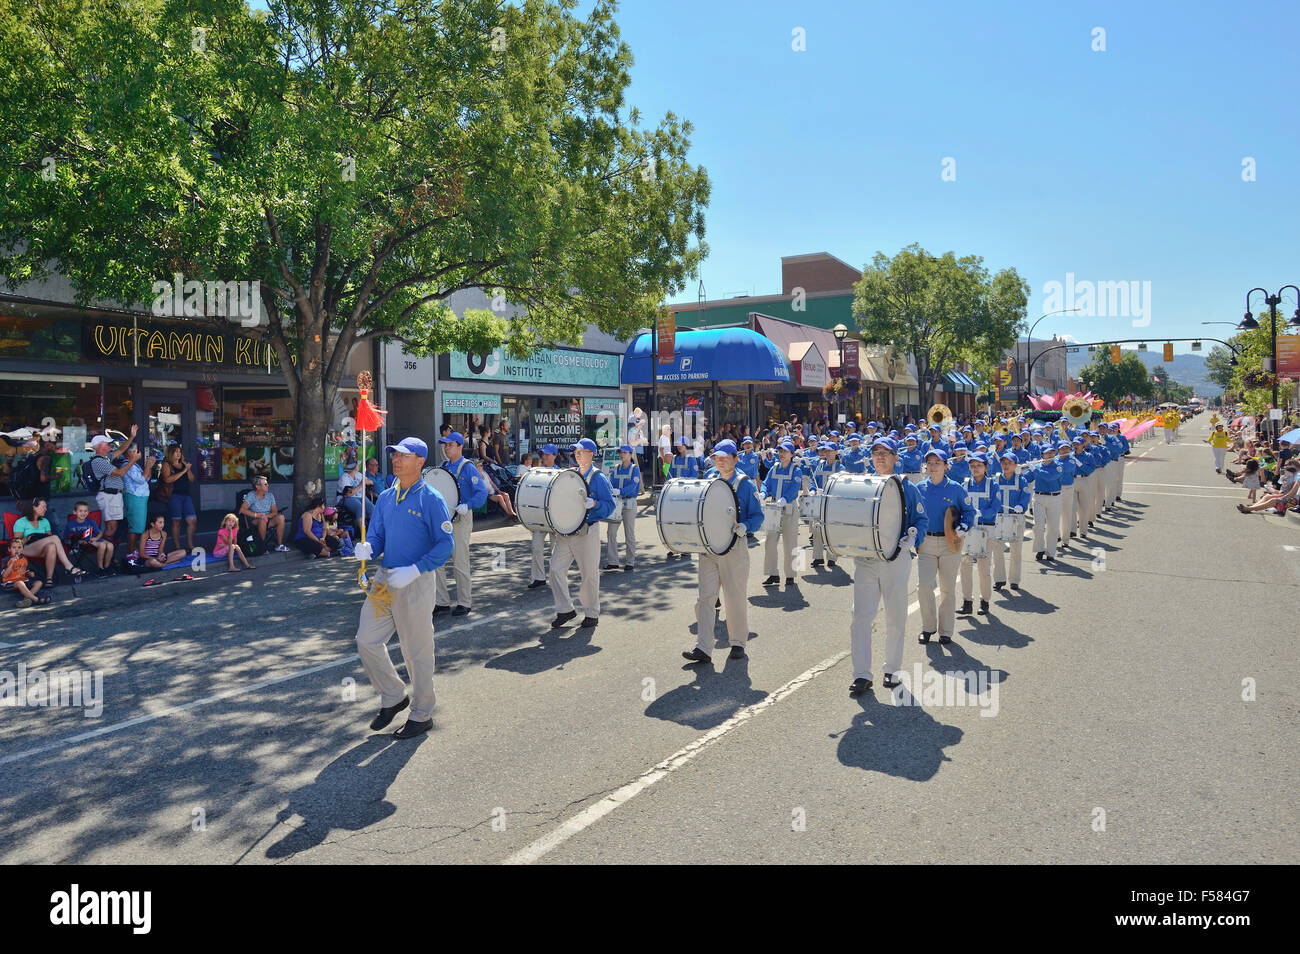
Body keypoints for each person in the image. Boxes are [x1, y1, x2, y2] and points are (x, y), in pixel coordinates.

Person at [351, 435, 455, 740]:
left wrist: (416, 569)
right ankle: (394, 696)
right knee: (366, 640)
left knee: (416, 651)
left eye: (404, 456)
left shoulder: (431, 498)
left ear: (420, 462)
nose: (396, 459)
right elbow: (379, 536)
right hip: (385, 579)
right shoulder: (385, 497)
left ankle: (422, 713)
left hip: (416, 580)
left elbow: (445, 545)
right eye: (394, 454)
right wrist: (368, 548)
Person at [848, 438, 927, 694]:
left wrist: (913, 537)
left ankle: (892, 670)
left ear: (896, 457)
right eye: (875, 453)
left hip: (896, 559)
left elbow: (921, 519)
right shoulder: (864, 484)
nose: (880, 457)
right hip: (867, 560)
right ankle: (861, 674)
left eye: (885, 453)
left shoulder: (907, 487)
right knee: (860, 617)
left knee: (895, 617)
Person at [682, 440, 763, 664]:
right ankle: (703, 647)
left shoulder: (745, 483)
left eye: (725, 457)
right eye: (717, 457)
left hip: (734, 549)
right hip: (708, 549)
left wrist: (746, 526)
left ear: (735, 459)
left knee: (734, 597)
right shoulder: (708, 479)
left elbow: (758, 516)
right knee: (705, 599)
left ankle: (737, 642)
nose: (720, 460)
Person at [549, 438, 616, 629]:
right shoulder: (571, 475)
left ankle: (591, 613)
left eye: (581, 451)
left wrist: (595, 504)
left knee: (589, 574)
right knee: (555, 569)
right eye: (575, 452)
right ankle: (565, 609)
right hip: (566, 533)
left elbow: (610, 505)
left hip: (587, 531)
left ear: (591, 454)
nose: (577, 455)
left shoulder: (599, 478)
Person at [915, 449, 974, 644]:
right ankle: (928, 627)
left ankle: (946, 631)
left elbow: (969, 511)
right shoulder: (920, 488)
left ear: (946, 466)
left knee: (947, 589)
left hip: (951, 543)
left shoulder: (956, 488)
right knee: (924, 586)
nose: (932, 466)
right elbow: (913, 514)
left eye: (937, 463)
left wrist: (963, 528)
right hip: (926, 543)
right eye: (929, 463)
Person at [433, 431, 488, 617]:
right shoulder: (443, 467)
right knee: (437, 561)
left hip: (461, 518)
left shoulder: (468, 467)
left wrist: (468, 505)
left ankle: (464, 602)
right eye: (445, 445)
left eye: (450, 445)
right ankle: (441, 601)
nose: (446, 448)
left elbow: (481, 493)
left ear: (459, 446)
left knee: (460, 561)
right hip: (444, 519)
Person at [14, 498, 85, 586]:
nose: (46, 509)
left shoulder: (45, 521)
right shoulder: (21, 522)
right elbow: (16, 544)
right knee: (54, 538)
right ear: (34, 508)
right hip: (26, 548)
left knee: (51, 546)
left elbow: (49, 538)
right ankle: (68, 566)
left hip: (41, 550)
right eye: (43, 507)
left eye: (46, 507)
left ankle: (49, 579)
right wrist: (27, 538)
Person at [760, 440, 802, 587]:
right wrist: (763, 493)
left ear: (791, 454)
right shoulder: (774, 468)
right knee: (770, 542)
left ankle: (791, 575)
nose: (782, 454)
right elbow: (766, 482)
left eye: (785, 451)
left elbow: (796, 487)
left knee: (791, 542)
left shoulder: (796, 469)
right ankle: (773, 573)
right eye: (780, 451)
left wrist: (785, 498)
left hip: (790, 508)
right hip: (773, 507)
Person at [959, 453, 997, 616]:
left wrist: (980, 513)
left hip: (986, 529)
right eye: (972, 466)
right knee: (965, 566)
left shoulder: (993, 485)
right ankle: (967, 602)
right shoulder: (964, 484)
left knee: (983, 568)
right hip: (968, 530)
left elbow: (995, 508)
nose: (975, 469)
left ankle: (985, 601)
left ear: (986, 467)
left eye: (979, 465)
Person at [89, 428, 138, 543]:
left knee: (113, 526)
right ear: (100, 446)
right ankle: (107, 553)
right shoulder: (98, 461)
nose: (110, 445)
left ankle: (108, 553)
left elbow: (121, 449)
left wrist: (131, 437)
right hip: (108, 496)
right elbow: (119, 473)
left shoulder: (105, 458)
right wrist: (133, 460)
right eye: (107, 443)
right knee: (111, 526)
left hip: (113, 496)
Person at [992, 451, 1030, 591]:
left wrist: (1022, 505)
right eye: (1003, 463)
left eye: (1009, 463)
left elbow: (1026, 494)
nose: (1006, 465)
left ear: (1015, 465)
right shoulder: (995, 479)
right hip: (999, 518)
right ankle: (999, 579)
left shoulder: (1021, 480)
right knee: (997, 549)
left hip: (1016, 518)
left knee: (1016, 550)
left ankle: (1014, 580)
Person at [526, 443, 560, 590]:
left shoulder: (561, 473)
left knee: (556, 549)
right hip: (540, 517)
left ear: (554, 456)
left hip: (555, 518)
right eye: (543, 454)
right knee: (536, 546)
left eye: (547, 454)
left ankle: (556, 577)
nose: (544, 457)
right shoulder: (537, 472)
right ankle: (539, 577)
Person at [604, 444, 640, 571]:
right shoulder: (616, 468)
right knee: (611, 532)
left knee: (629, 533)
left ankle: (630, 561)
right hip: (616, 504)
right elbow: (611, 483)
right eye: (621, 452)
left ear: (630, 454)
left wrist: (621, 491)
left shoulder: (634, 469)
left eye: (625, 452)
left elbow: (633, 486)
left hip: (629, 504)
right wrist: (612, 490)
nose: (622, 454)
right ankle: (613, 561)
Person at [121, 443, 158, 556]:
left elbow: (147, 478)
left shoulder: (134, 465)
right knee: (134, 527)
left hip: (140, 499)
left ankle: (133, 551)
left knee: (139, 527)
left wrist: (149, 466)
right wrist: (147, 466)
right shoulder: (127, 465)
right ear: (130, 453)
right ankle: (130, 553)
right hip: (134, 498)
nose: (139, 453)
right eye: (137, 451)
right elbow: (141, 479)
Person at [160, 444, 198, 552]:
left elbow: (192, 479)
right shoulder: (167, 464)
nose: (178, 453)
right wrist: (183, 472)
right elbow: (167, 479)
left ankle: (190, 545)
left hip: (186, 496)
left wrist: (188, 470)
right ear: (171, 453)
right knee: (176, 522)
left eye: (180, 451)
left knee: (192, 520)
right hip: (174, 496)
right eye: (176, 451)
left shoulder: (184, 464)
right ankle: (177, 547)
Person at [1031, 442, 1064, 561]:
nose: (1050, 454)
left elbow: (1050, 477)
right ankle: (1040, 549)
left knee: (1053, 527)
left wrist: (1034, 469)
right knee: (1038, 525)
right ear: (1042, 455)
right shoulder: (1037, 466)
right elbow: (1027, 478)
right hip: (1039, 498)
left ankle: (1050, 552)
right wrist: (1018, 471)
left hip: (1054, 498)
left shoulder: (1058, 466)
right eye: (1047, 453)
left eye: (1052, 452)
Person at [239, 476, 291, 552]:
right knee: (262, 520)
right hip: (255, 520)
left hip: (268, 518)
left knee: (281, 517)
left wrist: (265, 516)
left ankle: (279, 545)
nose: (268, 485)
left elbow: (274, 512)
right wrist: (258, 515)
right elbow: (242, 510)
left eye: (267, 484)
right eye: (265, 484)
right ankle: (262, 546)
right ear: (257, 486)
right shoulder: (251, 495)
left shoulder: (270, 495)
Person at [64, 500, 114, 573]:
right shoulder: (70, 524)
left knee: (110, 545)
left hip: (94, 539)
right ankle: (100, 568)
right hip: (84, 542)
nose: (83, 513)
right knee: (103, 545)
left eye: (85, 511)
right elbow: (67, 538)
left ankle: (106, 567)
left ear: (88, 512)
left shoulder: (91, 521)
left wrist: (95, 538)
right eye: (80, 511)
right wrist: (78, 542)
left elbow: (100, 533)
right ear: (74, 512)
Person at [4, 536, 52, 607]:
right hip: (11, 583)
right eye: (14, 548)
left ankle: (26, 599)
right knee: (20, 583)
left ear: (23, 549)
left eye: (19, 547)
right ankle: (36, 600)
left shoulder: (24, 560)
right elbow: (4, 575)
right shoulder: (6, 560)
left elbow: (25, 572)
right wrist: (11, 564)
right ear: (9, 549)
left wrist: (29, 574)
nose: (16, 550)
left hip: (24, 582)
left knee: (39, 582)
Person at [337, 460, 374, 525]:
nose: (359, 466)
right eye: (357, 465)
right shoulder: (344, 478)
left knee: (372, 508)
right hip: (347, 499)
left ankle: (372, 529)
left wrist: (368, 481)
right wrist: (360, 485)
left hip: (360, 497)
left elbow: (371, 482)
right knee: (360, 507)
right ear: (353, 467)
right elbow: (349, 494)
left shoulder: (359, 475)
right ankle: (362, 532)